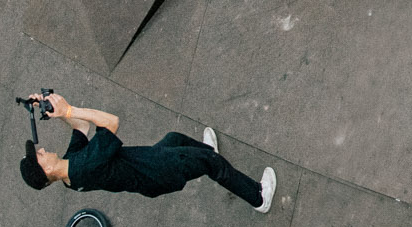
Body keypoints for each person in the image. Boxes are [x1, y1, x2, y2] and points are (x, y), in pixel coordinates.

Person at [20, 91, 277, 213]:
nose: (41, 150)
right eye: (39, 156)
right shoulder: (84, 165)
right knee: (211, 163)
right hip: (158, 171)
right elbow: (110, 122)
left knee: (174, 138)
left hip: (148, 168)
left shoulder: (69, 169)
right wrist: (68, 111)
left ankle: (203, 153)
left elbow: (81, 126)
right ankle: (258, 196)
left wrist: (53, 106)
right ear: (46, 170)